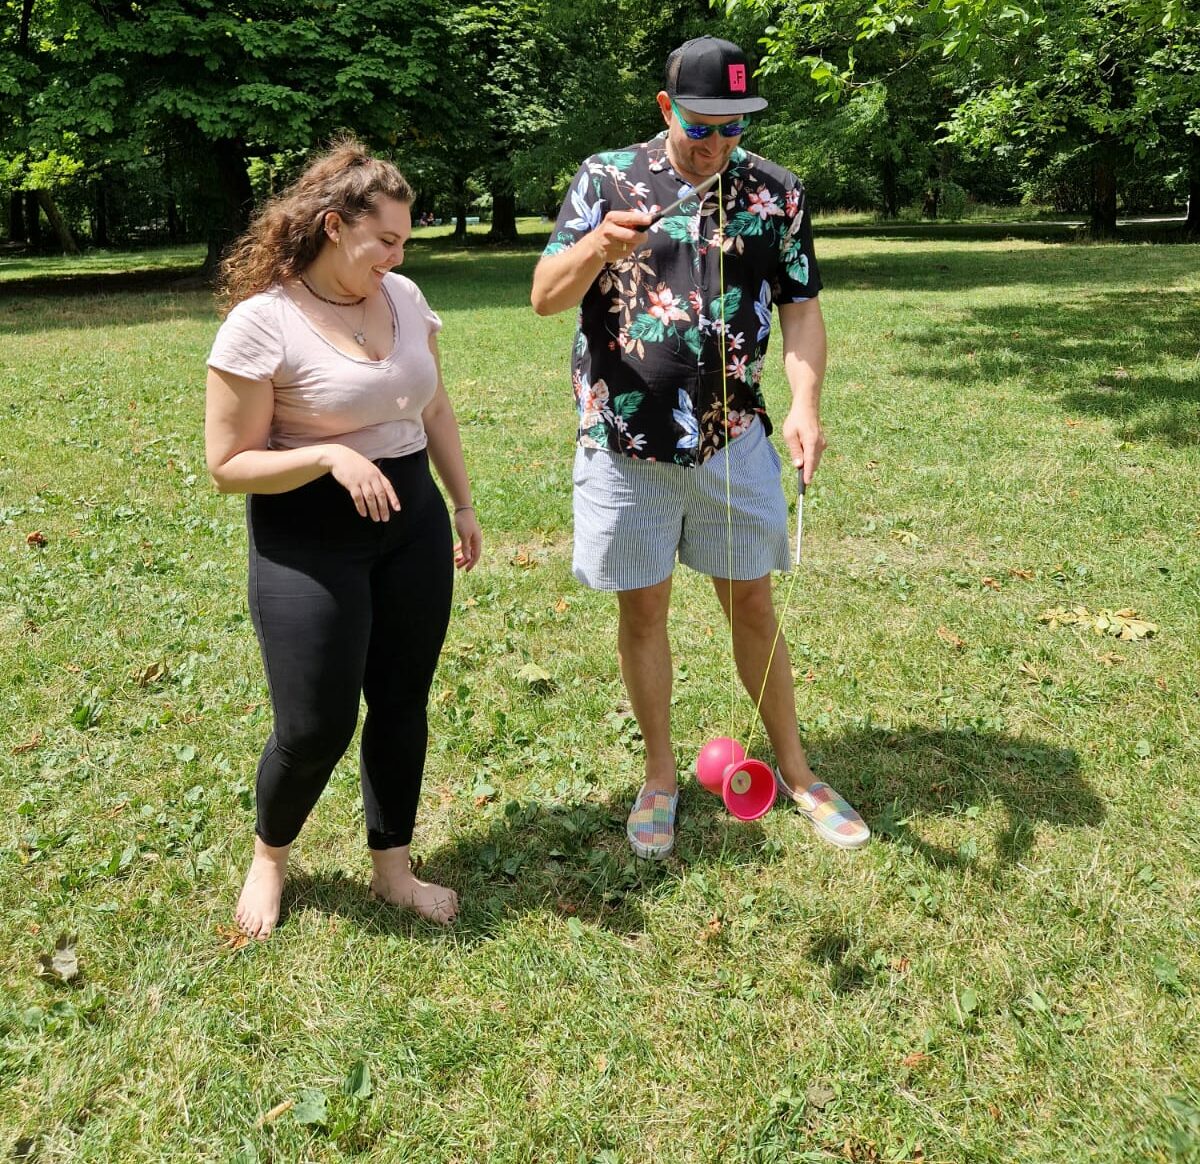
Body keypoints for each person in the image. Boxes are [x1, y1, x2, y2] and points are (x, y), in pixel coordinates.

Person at [530, 36, 869, 859]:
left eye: (733, 129)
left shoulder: (775, 192)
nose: (716, 144)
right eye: (700, 125)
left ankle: (795, 770)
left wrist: (806, 404)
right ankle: (659, 777)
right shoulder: (606, 179)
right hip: (626, 442)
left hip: (732, 438)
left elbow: (800, 308)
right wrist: (595, 249)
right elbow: (544, 297)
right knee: (643, 609)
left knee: (751, 602)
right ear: (665, 109)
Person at [205, 138, 482, 936]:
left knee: (402, 700)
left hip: (411, 522)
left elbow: (431, 408)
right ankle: (270, 855)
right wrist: (328, 453)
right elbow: (228, 465)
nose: (397, 257)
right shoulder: (264, 323)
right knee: (316, 722)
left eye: (404, 242)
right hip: (309, 534)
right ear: (333, 226)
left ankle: (393, 868)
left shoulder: (402, 297)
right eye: (384, 241)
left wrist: (461, 503)